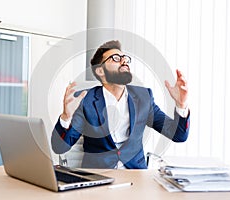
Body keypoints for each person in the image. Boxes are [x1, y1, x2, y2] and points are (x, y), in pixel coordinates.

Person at [51, 40, 190, 169]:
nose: (124, 61)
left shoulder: (144, 97)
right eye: (116, 58)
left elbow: (178, 135)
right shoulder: (85, 100)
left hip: (136, 176)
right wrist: (66, 116)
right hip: (99, 176)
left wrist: (181, 105)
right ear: (100, 71)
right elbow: (59, 147)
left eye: (125, 58)